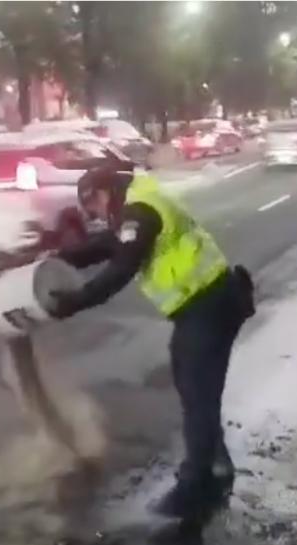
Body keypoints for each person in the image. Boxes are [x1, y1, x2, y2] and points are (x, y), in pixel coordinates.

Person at [48, 166, 255, 519]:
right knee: (193, 387)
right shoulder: (135, 206)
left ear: (105, 191)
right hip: (206, 305)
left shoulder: (140, 212)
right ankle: (215, 461)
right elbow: (104, 246)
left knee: (197, 394)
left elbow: (122, 266)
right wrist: (53, 260)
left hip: (208, 304)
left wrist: (76, 301)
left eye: (92, 204)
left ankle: (195, 486)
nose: (93, 214)